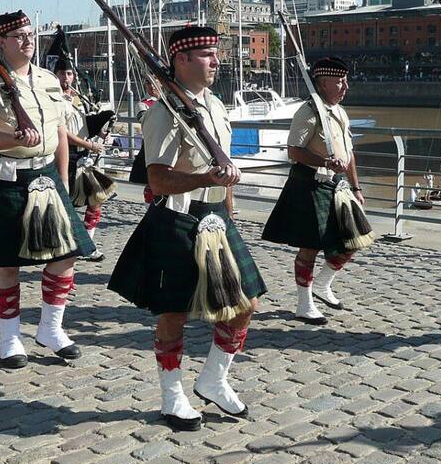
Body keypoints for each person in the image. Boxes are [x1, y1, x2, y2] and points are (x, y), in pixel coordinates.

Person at [108, 26, 266, 432]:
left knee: (245, 303)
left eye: (216, 54)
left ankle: (213, 378)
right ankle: (172, 395)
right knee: (173, 312)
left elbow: (224, 167)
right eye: (207, 55)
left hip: (217, 218)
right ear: (181, 60)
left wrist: (229, 211)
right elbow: (157, 179)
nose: (217, 61)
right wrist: (206, 180)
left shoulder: (215, 105)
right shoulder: (161, 112)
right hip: (177, 217)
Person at [0, 10, 95, 369]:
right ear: (1, 43)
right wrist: (12, 137)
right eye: (19, 35)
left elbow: (58, 134)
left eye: (30, 33)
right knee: (6, 263)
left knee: (66, 254)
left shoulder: (47, 81)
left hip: (45, 177)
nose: (28, 40)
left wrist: (65, 178)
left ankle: (50, 328)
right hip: (3, 177)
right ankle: (9, 338)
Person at [262, 57, 371, 325]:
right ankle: (304, 303)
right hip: (309, 184)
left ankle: (323, 283)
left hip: (337, 186)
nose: (345, 86)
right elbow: (294, 151)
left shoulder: (340, 111)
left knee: (355, 239)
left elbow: (349, 153)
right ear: (322, 84)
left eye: (346, 80)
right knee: (309, 249)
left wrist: (356, 186)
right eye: (339, 81)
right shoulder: (308, 111)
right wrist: (324, 161)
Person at [53, 57, 110, 262]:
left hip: (83, 157)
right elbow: (64, 133)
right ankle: (76, 244)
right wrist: (91, 145)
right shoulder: (55, 100)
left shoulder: (79, 99)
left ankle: (88, 242)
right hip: (66, 155)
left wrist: (102, 132)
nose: (65, 78)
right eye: (61, 74)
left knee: (96, 199)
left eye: (68, 74)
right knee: (65, 204)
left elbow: (83, 125)